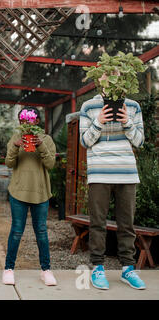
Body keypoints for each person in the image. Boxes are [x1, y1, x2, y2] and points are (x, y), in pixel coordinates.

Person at [79, 94, 146, 290]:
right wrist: (99, 121)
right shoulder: (89, 106)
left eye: (117, 72)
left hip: (126, 172)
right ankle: (98, 268)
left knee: (127, 224)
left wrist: (128, 122)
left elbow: (140, 141)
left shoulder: (133, 105)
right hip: (99, 172)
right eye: (109, 72)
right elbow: (85, 142)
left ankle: (128, 269)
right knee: (97, 223)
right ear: (101, 75)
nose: (113, 75)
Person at [3, 106, 57, 286]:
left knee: (41, 231)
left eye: (30, 120)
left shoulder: (47, 139)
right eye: (23, 121)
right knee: (16, 231)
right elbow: (9, 163)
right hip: (18, 192)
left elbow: (50, 164)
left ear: (37, 121)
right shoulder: (16, 138)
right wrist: (15, 146)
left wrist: (40, 144)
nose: (27, 123)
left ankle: (46, 270)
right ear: (20, 123)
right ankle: (9, 269)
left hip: (40, 193)